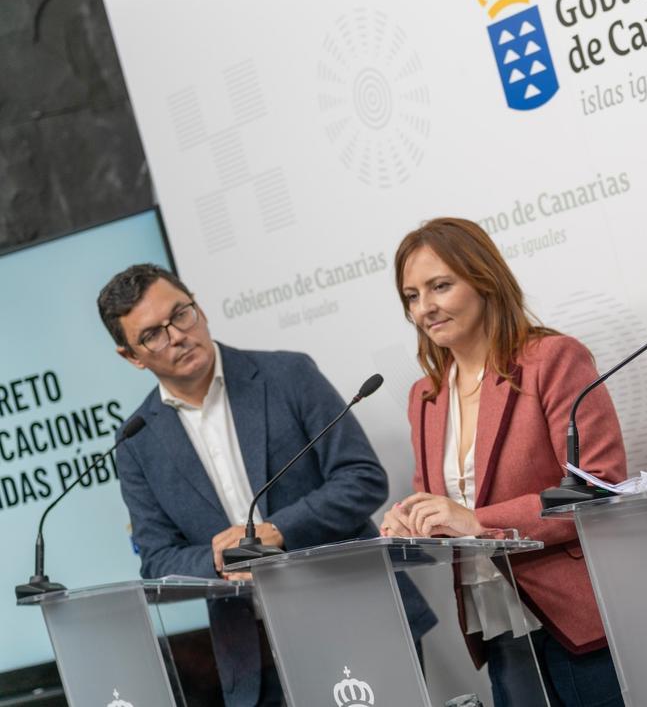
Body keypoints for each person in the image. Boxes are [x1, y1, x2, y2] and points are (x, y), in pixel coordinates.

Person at [97, 263, 435, 706]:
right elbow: (157, 559)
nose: (177, 335)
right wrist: (217, 558)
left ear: (199, 307)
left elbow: (362, 478)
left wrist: (277, 530)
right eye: (152, 335)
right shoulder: (137, 441)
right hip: (253, 658)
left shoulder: (287, 375)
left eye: (181, 314)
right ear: (131, 357)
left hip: (356, 621)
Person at [381, 218, 626, 707]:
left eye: (440, 286)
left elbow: (596, 487)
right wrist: (411, 521)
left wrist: (477, 521)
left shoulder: (552, 359)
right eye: (411, 295)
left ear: (484, 281)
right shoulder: (425, 396)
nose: (424, 307)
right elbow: (438, 502)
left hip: (575, 617)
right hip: (493, 620)